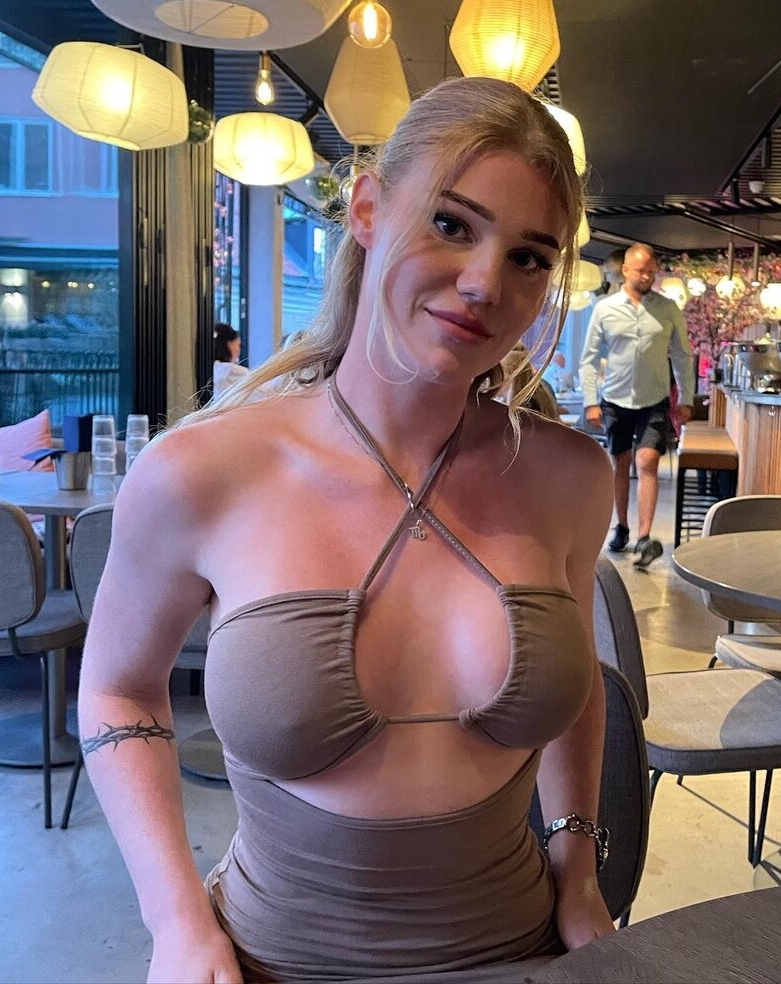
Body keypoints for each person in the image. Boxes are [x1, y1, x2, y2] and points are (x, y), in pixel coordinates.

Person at [78, 77, 615, 983]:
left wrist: (578, 866)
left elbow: (579, 682)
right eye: (451, 223)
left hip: (521, 951)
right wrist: (174, 920)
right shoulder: (201, 472)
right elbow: (118, 689)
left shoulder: (568, 478)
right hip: (272, 962)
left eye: (529, 256)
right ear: (366, 208)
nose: (484, 282)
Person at [579, 243, 695, 569]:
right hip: (615, 399)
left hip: (654, 400)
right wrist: (590, 401)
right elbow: (589, 359)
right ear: (626, 270)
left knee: (647, 462)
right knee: (621, 464)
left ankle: (644, 537)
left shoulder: (668, 309)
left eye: (651, 272)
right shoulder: (604, 309)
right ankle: (622, 527)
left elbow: (683, 356)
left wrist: (686, 398)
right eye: (641, 271)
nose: (646, 277)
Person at [211, 323, 248, 400]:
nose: (238, 350)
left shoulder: (210, 368)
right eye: (238, 345)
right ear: (228, 344)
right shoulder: (230, 371)